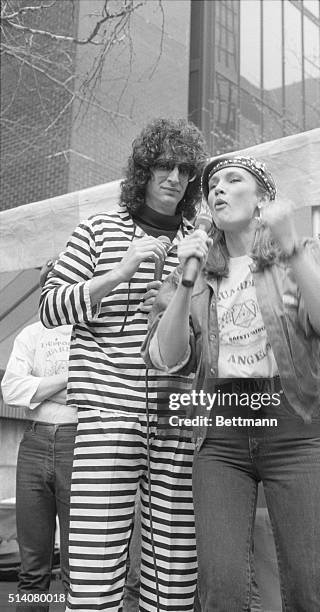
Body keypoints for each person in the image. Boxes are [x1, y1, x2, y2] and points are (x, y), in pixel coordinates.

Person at [142, 155, 320, 611]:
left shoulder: (302, 249)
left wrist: (291, 248)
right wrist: (185, 283)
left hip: (293, 429)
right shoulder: (195, 268)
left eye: (232, 179)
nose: (217, 189)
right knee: (221, 588)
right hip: (220, 434)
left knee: (309, 585)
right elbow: (165, 359)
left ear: (263, 196)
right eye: (212, 185)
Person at [39, 118, 207, 612]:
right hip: (108, 413)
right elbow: (50, 308)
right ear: (143, 170)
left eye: (185, 169)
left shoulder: (199, 240)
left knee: (174, 577)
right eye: (163, 166)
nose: (175, 177)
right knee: (93, 574)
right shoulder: (97, 228)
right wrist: (120, 271)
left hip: (176, 416)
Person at [1, 259, 76, 611]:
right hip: (33, 444)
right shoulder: (30, 335)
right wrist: (64, 382)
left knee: (80, 565)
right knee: (33, 567)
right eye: (51, 282)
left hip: (78, 444)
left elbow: (92, 391)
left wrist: (39, 389)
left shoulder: (91, 336)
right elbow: (11, 391)